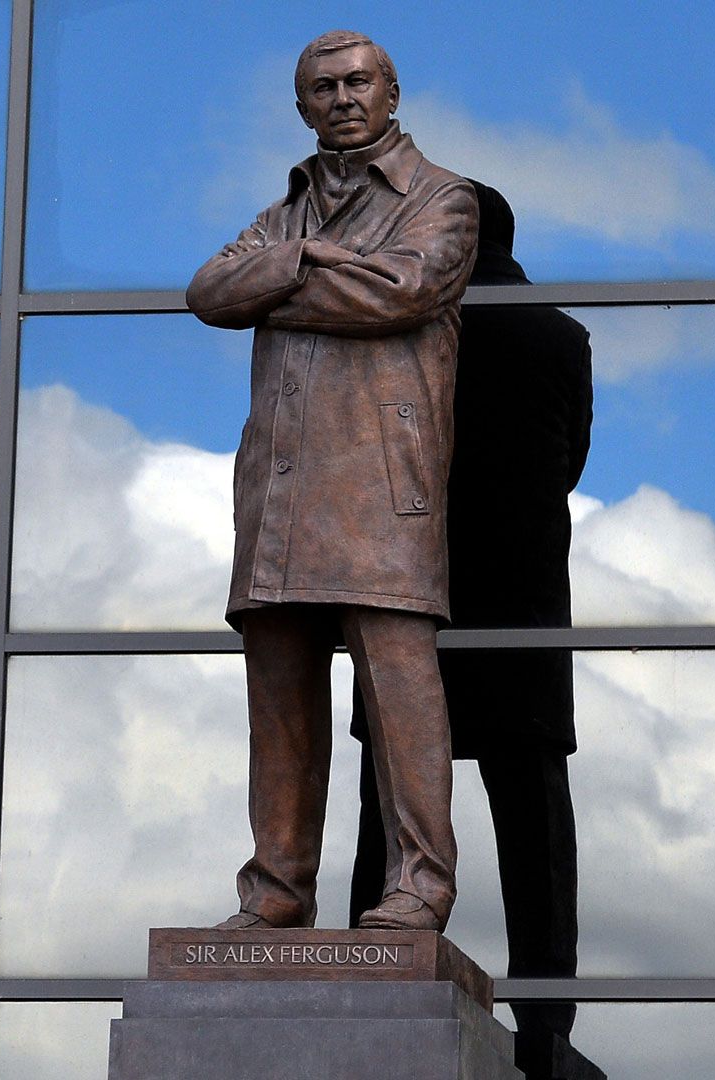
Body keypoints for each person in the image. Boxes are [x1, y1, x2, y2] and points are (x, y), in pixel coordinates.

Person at [186, 29, 478, 933]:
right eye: (323, 87)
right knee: (279, 701)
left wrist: (275, 287)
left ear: (393, 93)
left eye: (359, 82)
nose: (342, 97)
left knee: (401, 695)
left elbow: (403, 292)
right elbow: (207, 293)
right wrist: (306, 258)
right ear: (303, 106)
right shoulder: (288, 214)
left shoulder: (444, 198)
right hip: (279, 497)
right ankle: (276, 891)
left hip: (382, 492)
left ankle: (422, 885)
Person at [346, 182, 597, 1077]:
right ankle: (546, 1029)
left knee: (390, 810)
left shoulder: (408, 329)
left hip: (421, 593)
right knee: (534, 819)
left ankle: (368, 983)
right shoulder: (561, 335)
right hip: (524, 605)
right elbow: (566, 465)